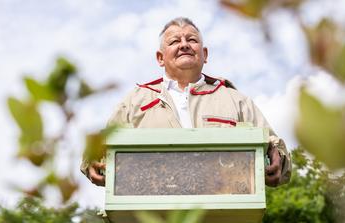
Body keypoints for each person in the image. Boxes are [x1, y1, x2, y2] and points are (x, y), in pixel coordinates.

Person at [81, 17, 291, 188]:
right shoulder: (135, 100)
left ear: (204, 54)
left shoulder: (236, 100)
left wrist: (277, 157)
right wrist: (93, 162)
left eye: (191, 40)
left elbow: (273, 146)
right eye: (174, 42)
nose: (184, 45)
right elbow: (99, 149)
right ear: (160, 58)